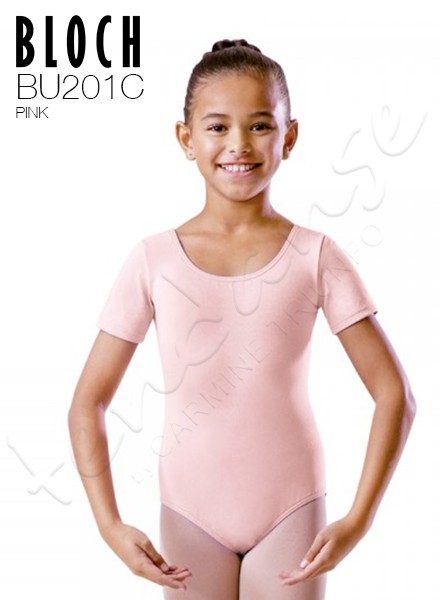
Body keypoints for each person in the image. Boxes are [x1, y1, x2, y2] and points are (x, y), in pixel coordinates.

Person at [68, 39, 416, 600]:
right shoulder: (154, 260)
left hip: (290, 510)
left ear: (289, 137)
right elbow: (88, 402)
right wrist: (109, 526)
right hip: (190, 513)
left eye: (259, 125)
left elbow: (394, 394)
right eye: (217, 127)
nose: (238, 144)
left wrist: (359, 520)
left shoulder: (316, 256)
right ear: (186, 139)